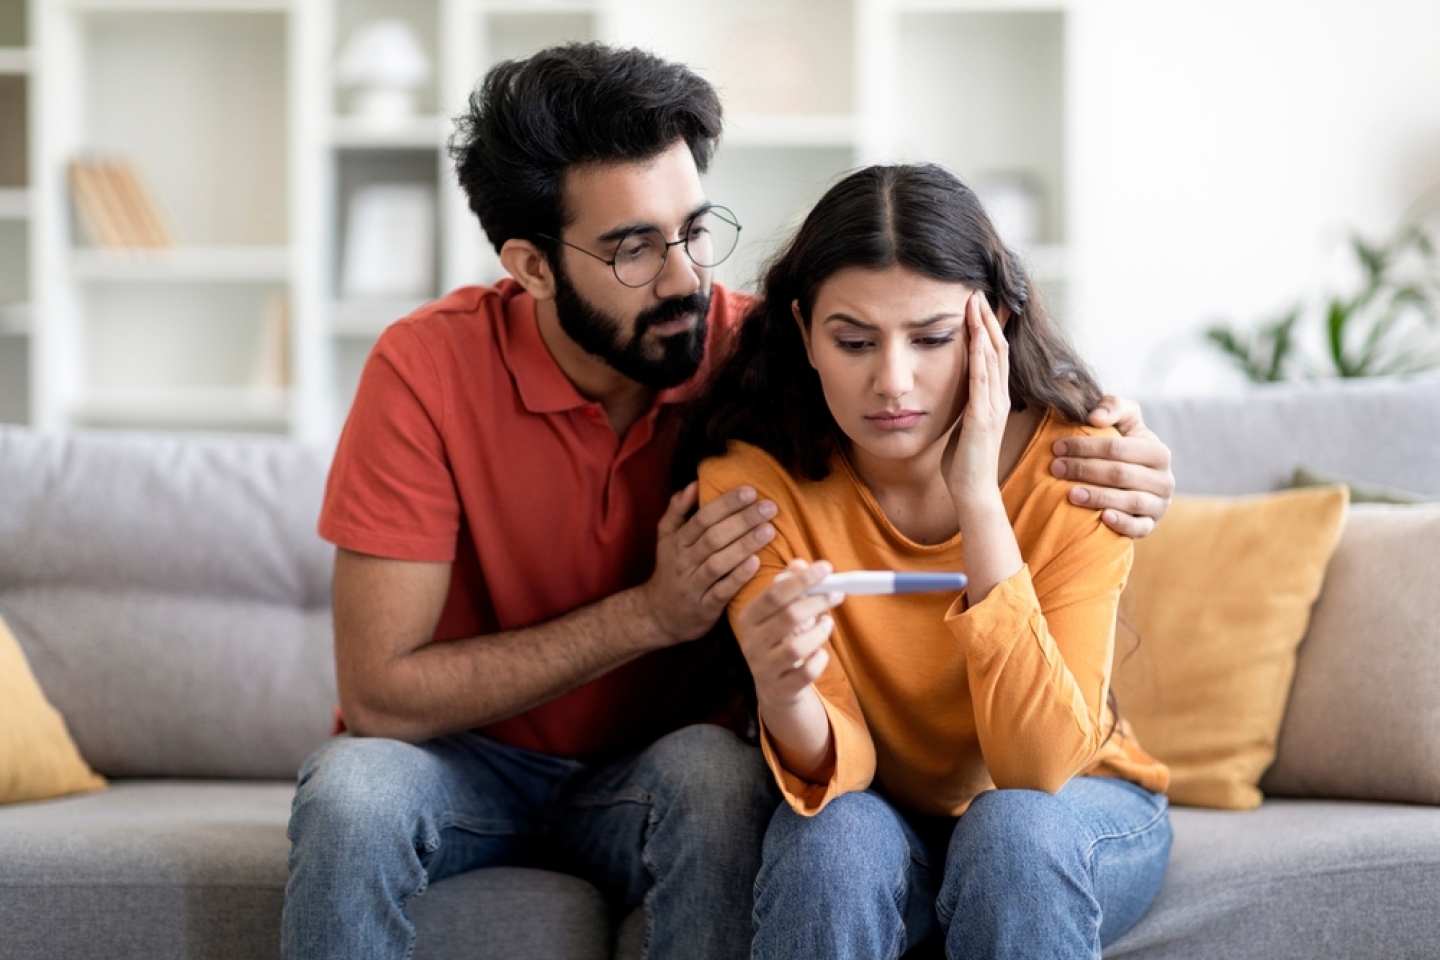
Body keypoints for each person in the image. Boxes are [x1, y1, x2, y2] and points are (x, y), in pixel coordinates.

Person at [281, 43, 1176, 960]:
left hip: (663, 764)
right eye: (633, 249)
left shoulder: (766, 359)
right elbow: (379, 694)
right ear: (532, 266)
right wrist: (649, 615)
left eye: (695, 230)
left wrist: (1130, 453)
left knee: (720, 778)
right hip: (465, 759)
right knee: (356, 793)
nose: (686, 280)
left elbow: (944, 359)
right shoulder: (429, 369)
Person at [685, 163, 1173, 960]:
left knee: (1011, 835)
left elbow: (1039, 767)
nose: (892, 382)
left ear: (994, 325)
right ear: (804, 332)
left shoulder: (1083, 467)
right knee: (832, 842)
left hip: (1073, 803)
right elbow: (840, 772)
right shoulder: (753, 487)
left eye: (933, 338)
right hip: (885, 815)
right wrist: (783, 689)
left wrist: (976, 495)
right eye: (853, 342)